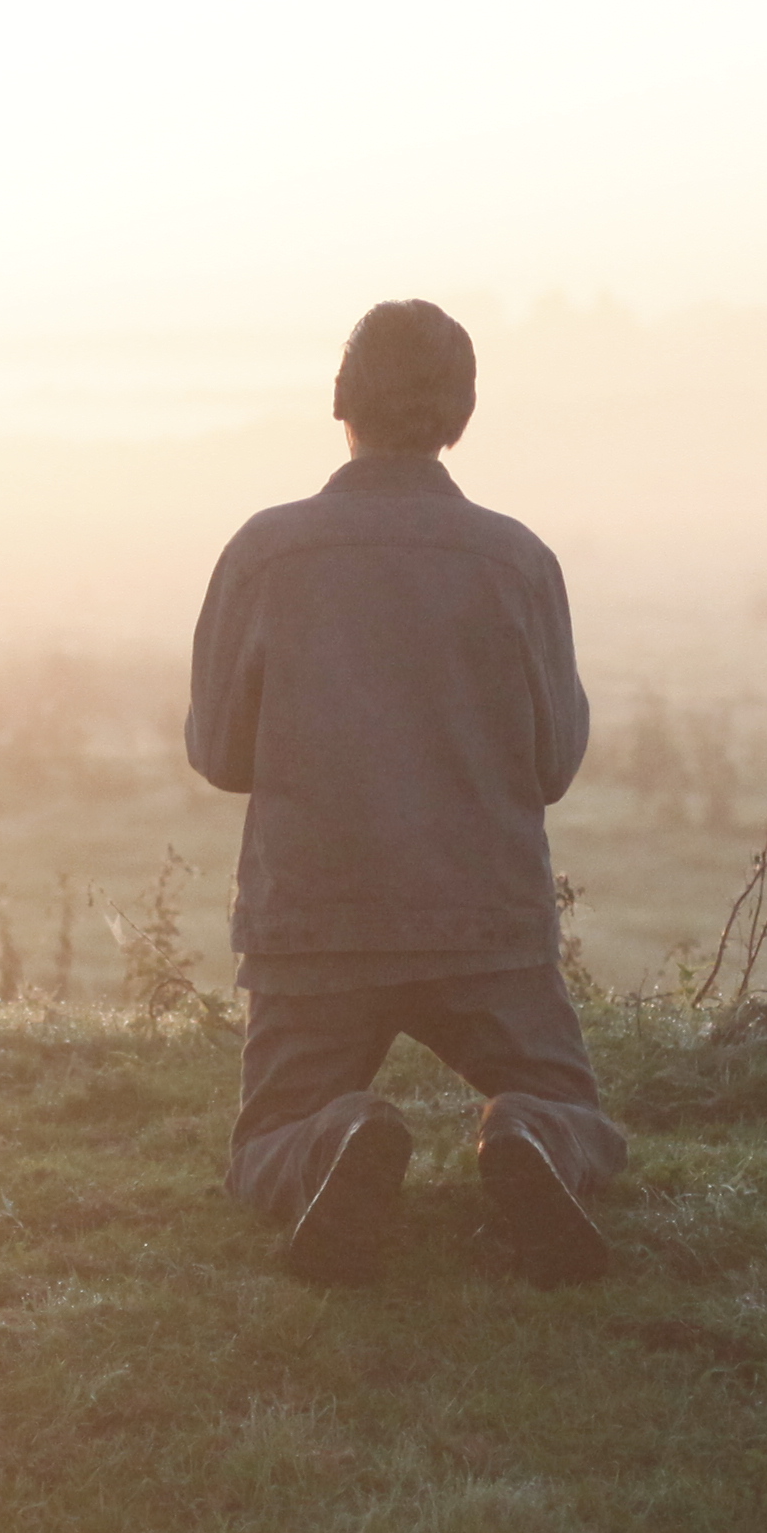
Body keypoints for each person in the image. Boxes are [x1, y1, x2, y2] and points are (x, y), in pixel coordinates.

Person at [183, 299, 628, 1284]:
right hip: (485, 924)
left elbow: (218, 752)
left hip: (314, 926)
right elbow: (553, 766)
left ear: (339, 400)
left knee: (268, 1140)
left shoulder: (265, 554)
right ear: (461, 415)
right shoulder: (517, 562)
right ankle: (529, 1135)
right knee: (579, 1115)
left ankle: (335, 1139)